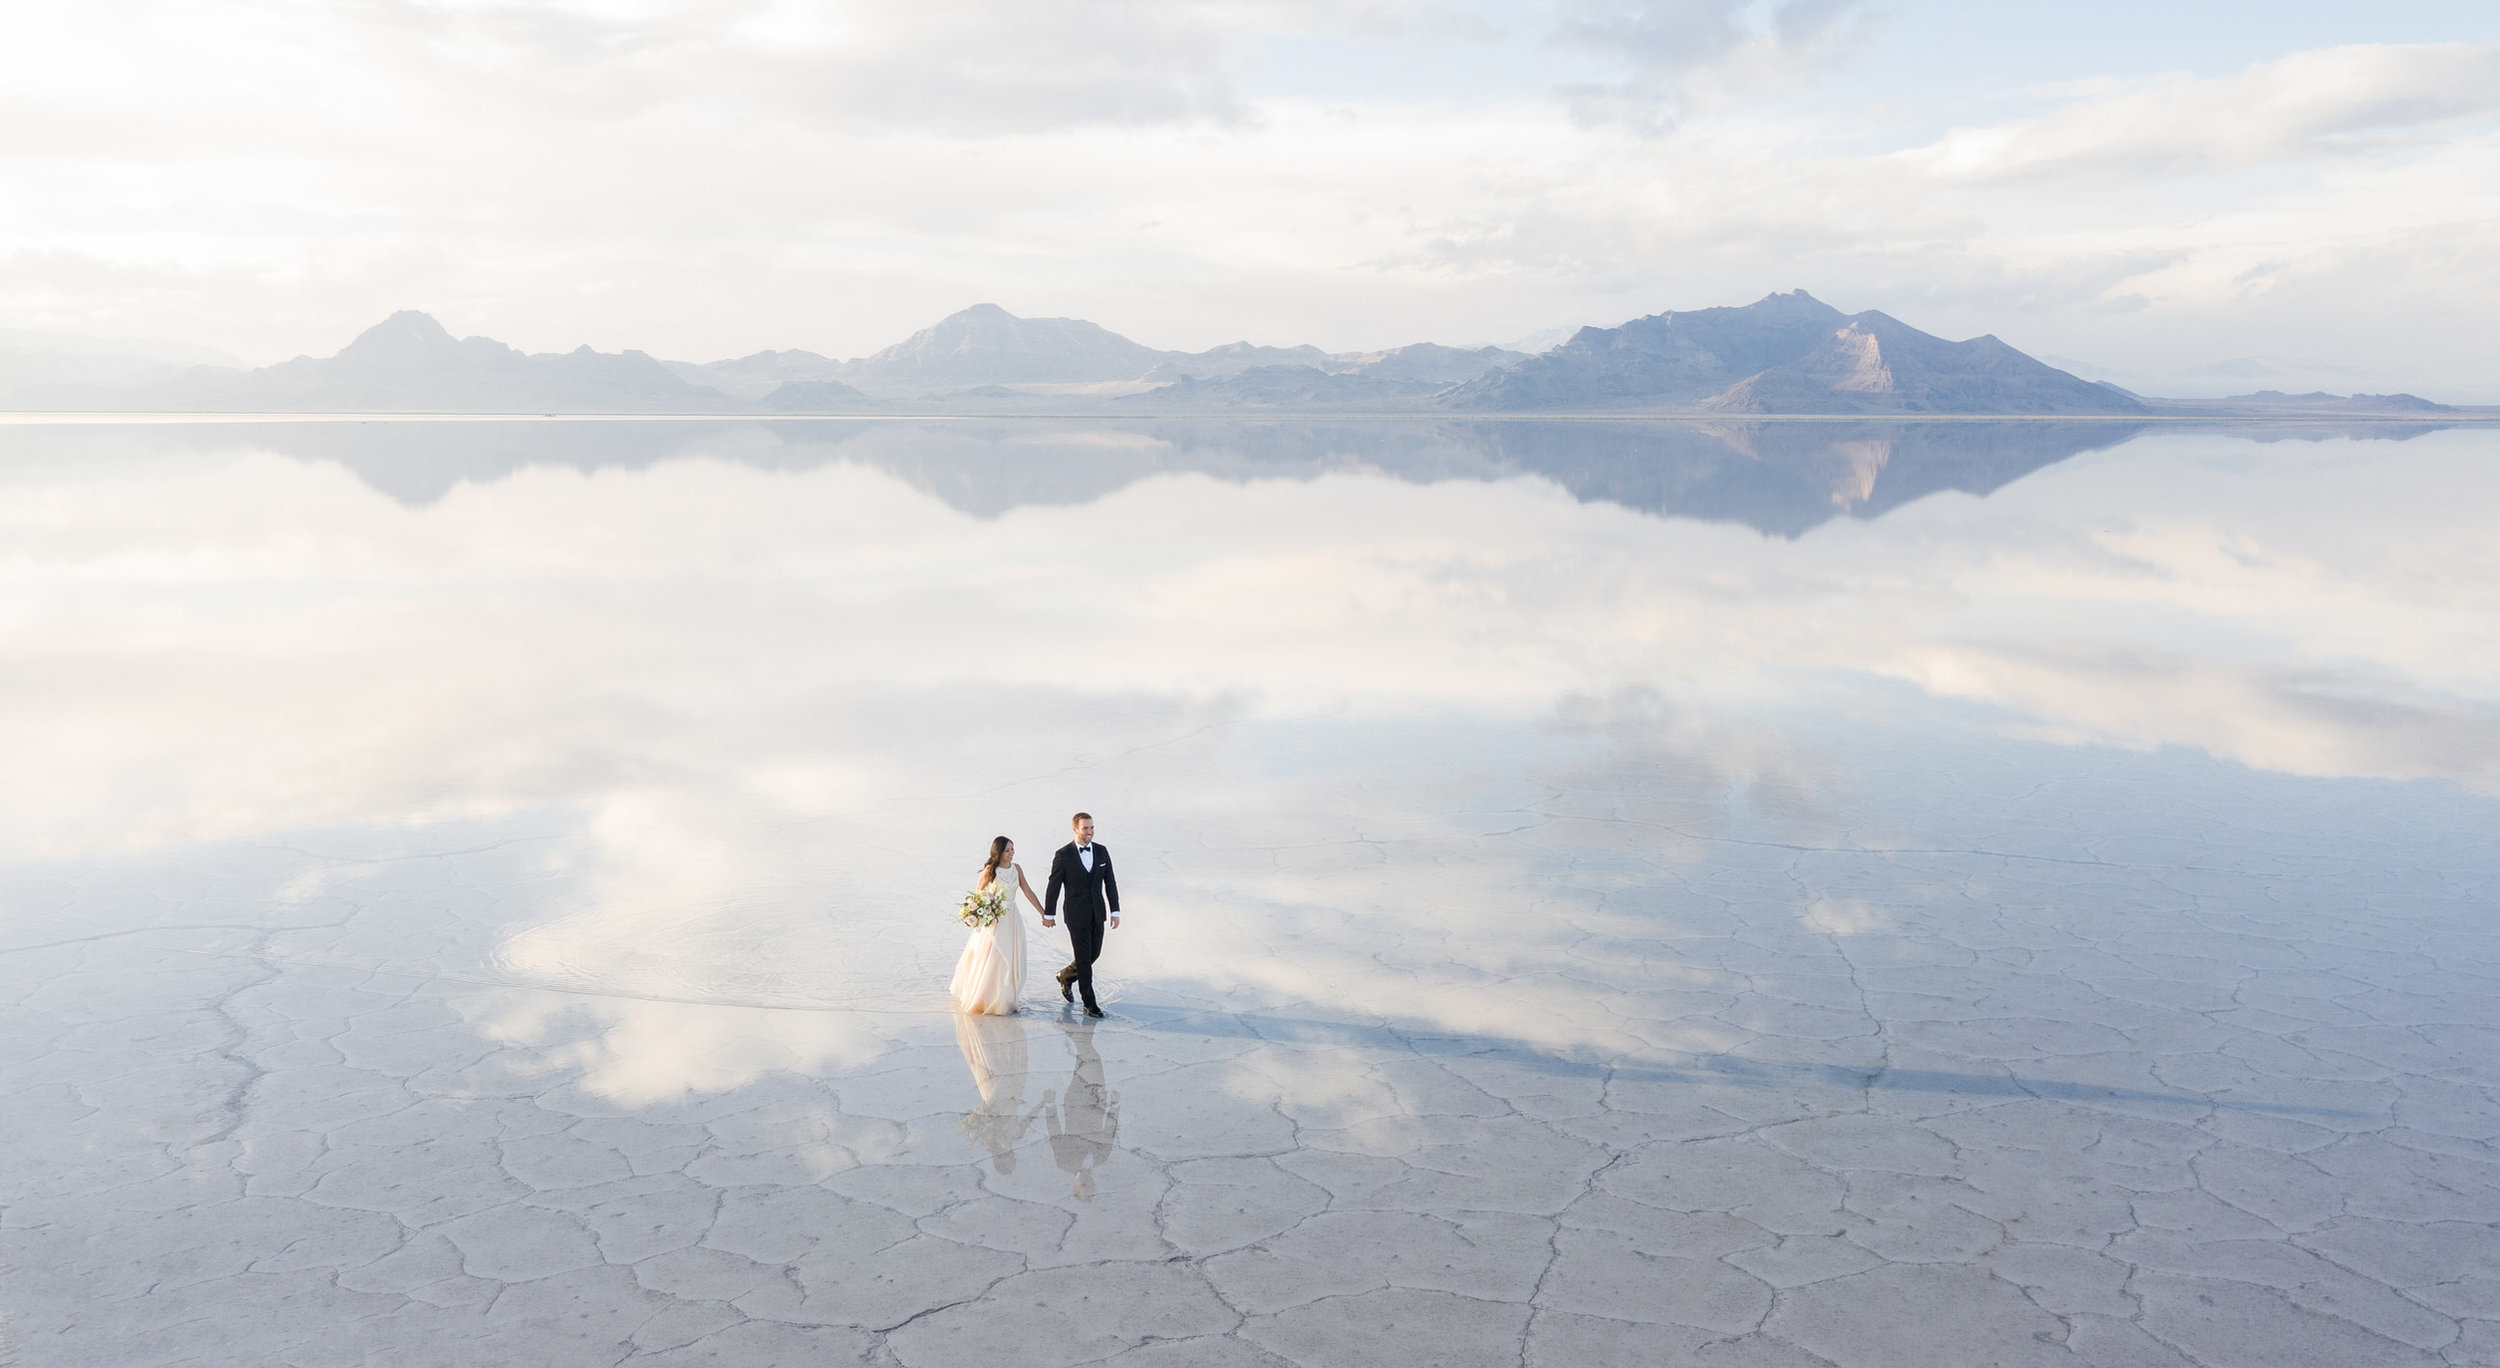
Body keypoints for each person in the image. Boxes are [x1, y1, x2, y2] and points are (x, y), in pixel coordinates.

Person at [950, 836, 1044, 1015]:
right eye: (1007, 850)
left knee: (1012, 956)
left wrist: (1043, 912)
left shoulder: (1017, 869)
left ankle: (1005, 999)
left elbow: (1028, 891)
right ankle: (986, 998)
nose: (1011, 853)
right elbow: (978, 896)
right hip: (995, 920)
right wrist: (986, 911)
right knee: (993, 959)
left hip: (1012, 919)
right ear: (999, 852)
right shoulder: (989, 870)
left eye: (1012, 849)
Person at [1043, 812, 1120, 1017]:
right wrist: (1048, 914)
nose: (1090, 832)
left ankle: (1066, 976)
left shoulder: (1102, 852)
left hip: (1098, 912)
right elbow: (1054, 885)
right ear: (1075, 829)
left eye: (1092, 828)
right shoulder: (1063, 855)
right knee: (1084, 960)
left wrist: (1115, 910)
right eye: (1086, 828)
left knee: (1094, 954)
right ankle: (1089, 1003)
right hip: (1076, 914)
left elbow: (1110, 882)